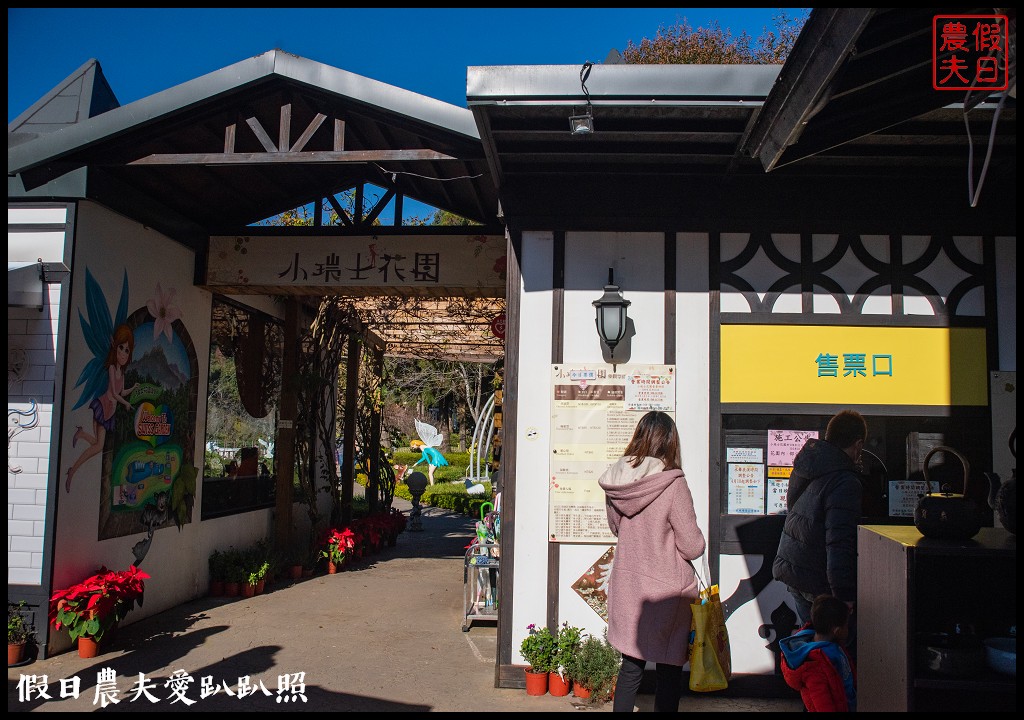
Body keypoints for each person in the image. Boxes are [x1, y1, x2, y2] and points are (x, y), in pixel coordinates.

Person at [597, 410, 706, 713]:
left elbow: (617, 528)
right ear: (670, 442)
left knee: (631, 667)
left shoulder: (617, 482)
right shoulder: (673, 484)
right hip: (667, 593)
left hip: (629, 586)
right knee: (669, 672)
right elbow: (692, 545)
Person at [772, 410, 866, 661]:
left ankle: (813, 700)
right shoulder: (844, 481)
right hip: (819, 581)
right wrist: (844, 596)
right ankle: (829, 700)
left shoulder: (809, 463)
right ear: (858, 445)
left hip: (796, 570)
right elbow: (839, 543)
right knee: (834, 657)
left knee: (812, 653)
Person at [67, 324, 138, 492]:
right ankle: (72, 471)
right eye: (121, 348)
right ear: (115, 347)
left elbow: (122, 391)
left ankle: (81, 434)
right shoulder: (112, 368)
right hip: (103, 407)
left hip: (110, 412)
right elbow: (113, 393)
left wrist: (133, 388)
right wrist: (125, 403)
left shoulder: (123, 373)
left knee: (99, 445)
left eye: (126, 350)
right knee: (99, 446)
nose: (123, 353)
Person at [780, 594, 857, 712]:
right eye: (846, 625)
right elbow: (823, 704)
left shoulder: (831, 644)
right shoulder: (814, 664)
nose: (848, 628)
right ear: (837, 630)